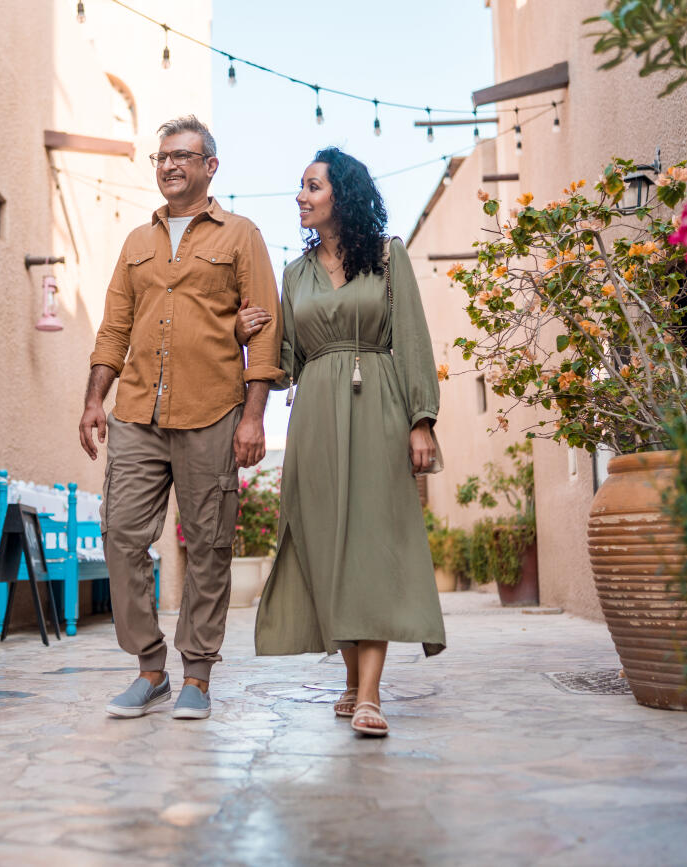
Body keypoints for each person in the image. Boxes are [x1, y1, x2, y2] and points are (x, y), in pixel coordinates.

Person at [79, 115, 283, 721]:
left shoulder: (241, 235)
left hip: (213, 412)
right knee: (121, 536)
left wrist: (253, 418)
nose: (169, 165)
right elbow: (114, 326)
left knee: (209, 545)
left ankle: (197, 674)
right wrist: (95, 398)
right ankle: (148, 668)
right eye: (161, 157)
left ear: (209, 166)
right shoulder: (136, 244)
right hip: (138, 410)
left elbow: (264, 333)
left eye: (182, 156)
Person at [240, 147, 445, 738]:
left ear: (342, 194)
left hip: (379, 407)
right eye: (300, 188)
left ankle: (370, 694)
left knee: (372, 545)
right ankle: (352, 679)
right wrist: (240, 334)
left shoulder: (387, 257)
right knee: (329, 545)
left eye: (312, 186)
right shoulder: (295, 274)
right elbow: (283, 362)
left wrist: (421, 419)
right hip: (314, 421)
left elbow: (411, 338)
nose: (300, 197)